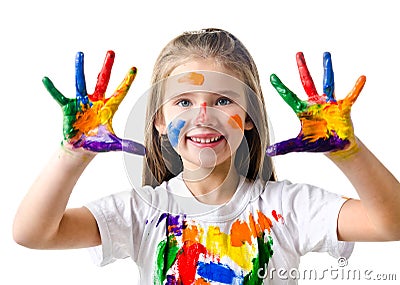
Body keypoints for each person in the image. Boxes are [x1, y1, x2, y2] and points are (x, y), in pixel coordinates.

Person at [13, 28, 400, 284]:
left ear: (248, 117)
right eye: (184, 101)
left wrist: (349, 154)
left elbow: (392, 226)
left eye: (222, 100)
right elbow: (33, 234)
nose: (203, 116)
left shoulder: (288, 207)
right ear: (159, 120)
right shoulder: (144, 211)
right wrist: (71, 155)